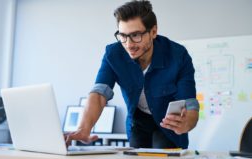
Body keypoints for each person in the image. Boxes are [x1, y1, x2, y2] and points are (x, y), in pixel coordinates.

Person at [65, 0, 199, 149]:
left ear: (153, 32)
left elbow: (190, 103)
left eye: (136, 35)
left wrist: (189, 122)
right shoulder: (113, 54)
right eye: (123, 35)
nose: (128, 44)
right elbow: (99, 93)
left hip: (169, 123)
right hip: (138, 121)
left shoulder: (178, 55)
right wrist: (84, 129)